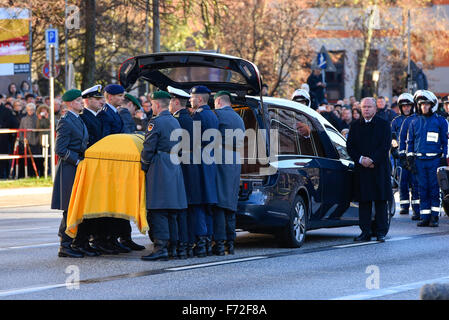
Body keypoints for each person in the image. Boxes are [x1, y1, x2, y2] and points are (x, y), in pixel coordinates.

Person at [141, 90, 188, 261]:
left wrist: (144, 166)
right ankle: (173, 248)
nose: (152, 106)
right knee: (172, 210)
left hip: (160, 165)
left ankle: (160, 248)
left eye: (152, 104)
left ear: (157, 104)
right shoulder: (175, 122)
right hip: (174, 164)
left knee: (158, 209)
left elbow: (148, 148)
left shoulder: (156, 122)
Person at [97, 84, 143, 252]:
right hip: (111, 164)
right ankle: (108, 239)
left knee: (120, 203)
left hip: (119, 163)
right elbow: (106, 140)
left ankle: (121, 237)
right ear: (110, 97)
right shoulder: (105, 114)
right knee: (111, 204)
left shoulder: (113, 112)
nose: (122, 98)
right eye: (119, 96)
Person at [346, 97, 392, 242]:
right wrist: (361, 159)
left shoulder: (384, 125)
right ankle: (365, 232)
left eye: (369, 107)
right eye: (364, 107)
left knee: (380, 201)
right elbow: (350, 147)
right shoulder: (355, 126)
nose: (366, 109)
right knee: (364, 202)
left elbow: (385, 146)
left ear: (375, 108)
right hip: (362, 169)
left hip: (379, 169)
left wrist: (372, 160)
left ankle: (381, 232)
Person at [50, 89, 89, 258]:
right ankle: (64, 245)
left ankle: (73, 242)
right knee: (69, 207)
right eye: (80, 100)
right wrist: (77, 161)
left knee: (77, 206)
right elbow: (60, 149)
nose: (82, 103)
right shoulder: (66, 121)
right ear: (71, 103)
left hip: (78, 167)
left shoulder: (78, 119)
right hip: (69, 168)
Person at [407, 90, 448, 227]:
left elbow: (445, 141)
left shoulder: (440, 121)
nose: (424, 107)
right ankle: (425, 217)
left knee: (434, 188)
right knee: (422, 188)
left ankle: (434, 217)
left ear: (432, 105)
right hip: (419, 160)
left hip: (434, 160)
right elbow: (410, 142)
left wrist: (444, 158)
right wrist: (410, 158)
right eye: (422, 104)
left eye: (427, 104)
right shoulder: (414, 122)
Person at [212, 91, 245, 255]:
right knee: (230, 203)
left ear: (218, 101)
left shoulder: (217, 115)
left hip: (220, 159)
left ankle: (219, 242)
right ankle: (230, 243)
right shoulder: (239, 118)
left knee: (219, 204)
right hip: (234, 161)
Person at [168, 85, 199, 258]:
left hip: (183, 168)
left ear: (176, 101)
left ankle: (183, 244)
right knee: (187, 208)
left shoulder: (179, 120)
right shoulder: (189, 119)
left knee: (181, 208)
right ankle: (187, 244)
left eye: (171, 100)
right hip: (191, 167)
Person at [189, 85, 219, 257]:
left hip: (198, 164)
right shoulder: (212, 115)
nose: (190, 101)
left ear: (199, 99)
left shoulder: (199, 117)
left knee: (198, 204)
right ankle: (207, 241)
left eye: (192, 98)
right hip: (209, 164)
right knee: (206, 205)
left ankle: (201, 243)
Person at [391, 93, 420, 219]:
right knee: (402, 181)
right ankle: (404, 205)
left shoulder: (417, 119)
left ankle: (416, 207)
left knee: (415, 182)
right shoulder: (395, 121)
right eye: (404, 106)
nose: (406, 108)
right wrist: (395, 150)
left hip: (414, 156)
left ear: (412, 106)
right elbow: (392, 138)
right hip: (401, 157)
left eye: (408, 106)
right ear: (400, 107)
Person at [0, 99, 19, 179]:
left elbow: (13, 124)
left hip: (3, 140)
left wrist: (3, 125)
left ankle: (3, 176)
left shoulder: (7, 111)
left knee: (4, 159)